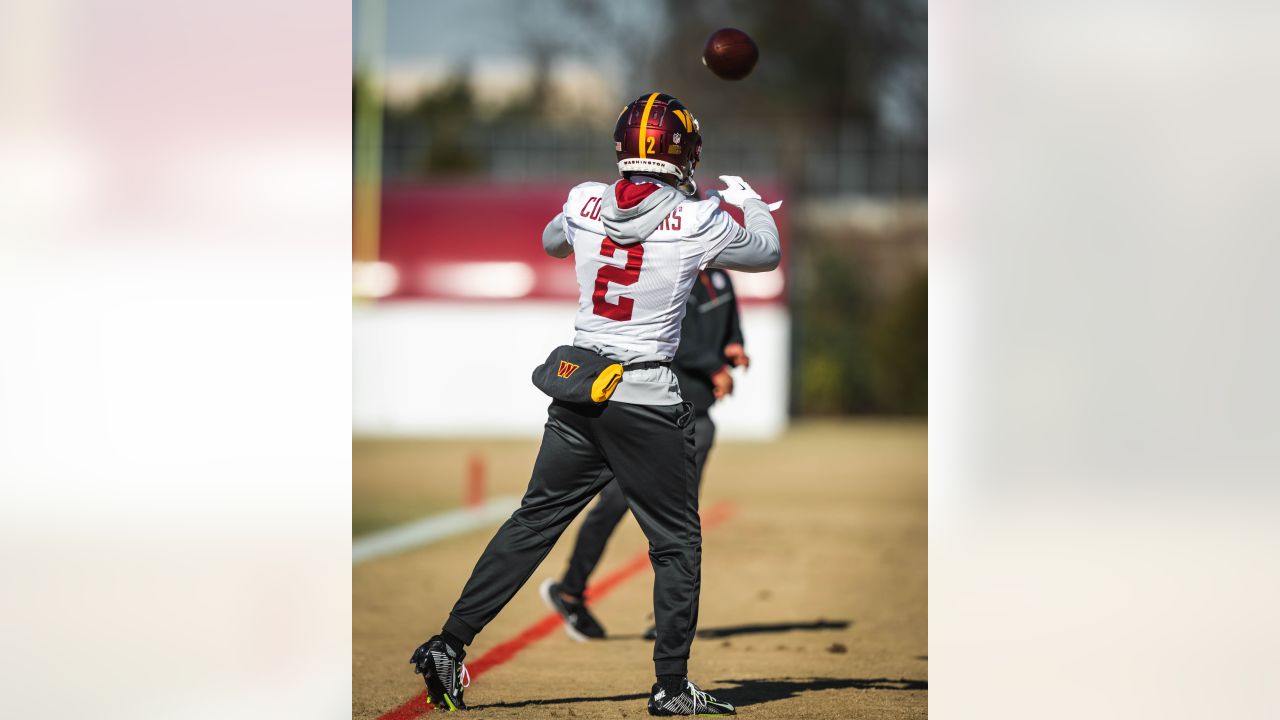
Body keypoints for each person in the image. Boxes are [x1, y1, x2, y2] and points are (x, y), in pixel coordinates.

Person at [409, 92, 780, 716]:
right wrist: (742, 199)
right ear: (682, 153)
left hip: (581, 389)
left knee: (533, 522)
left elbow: (555, 242)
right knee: (676, 544)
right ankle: (669, 687)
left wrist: (597, 224)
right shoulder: (699, 217)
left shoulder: (584, 200)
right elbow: (765, 252)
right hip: (644, 398)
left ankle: (449, 643)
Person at [538, 265, 750, 642]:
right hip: (654, 413)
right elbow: (674, 337)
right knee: (618, 505)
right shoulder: (668, 270)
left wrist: (734, 347)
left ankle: (666, 622)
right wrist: (714, 367)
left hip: (696, 417)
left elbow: (729, 323)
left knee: (679, 523)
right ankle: (570, 591)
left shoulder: (719, 278)